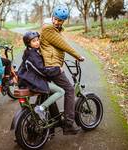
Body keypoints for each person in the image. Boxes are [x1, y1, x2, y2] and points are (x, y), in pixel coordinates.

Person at [40, 4, 85, 135]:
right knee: (69, 90)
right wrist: (78, 56)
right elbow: (64, 45)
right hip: (52, 66)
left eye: (60, 20)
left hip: (50, 65)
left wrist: (60, 61)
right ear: (52, 16)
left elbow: (53, 48)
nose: (57, 22)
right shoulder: (49, 28)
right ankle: (69, 124)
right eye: (56, 19)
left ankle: (54, 124)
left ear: (63, 21)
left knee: (50, 92)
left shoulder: (54, 29)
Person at [18, 31, 65, 121]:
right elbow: (42, 71)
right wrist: (57, 70)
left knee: (47, 92)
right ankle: (41, 108)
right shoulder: (32, 55)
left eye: (37, 40)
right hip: (31, 80)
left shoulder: (31, 51)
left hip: (28, 78)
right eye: (34, 41)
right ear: (28, 43)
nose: (37, 42)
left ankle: (51, 118)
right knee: (60, 91)